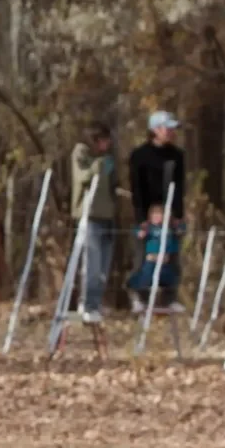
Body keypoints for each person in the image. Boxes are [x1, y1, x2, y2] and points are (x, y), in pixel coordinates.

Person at [69, 122, 125, 324]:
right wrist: (95, 168)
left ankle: (97, 301)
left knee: (103, 265)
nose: (107, 144)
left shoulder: (108, 158)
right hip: (88, 215)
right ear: (95, 140)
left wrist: (119, 190)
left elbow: (113, 183)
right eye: (104, 140)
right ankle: (87, 304)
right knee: (90, 263)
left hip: (107, 216)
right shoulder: (80, 153)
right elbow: (81, 177)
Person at [124, 202, 184, 310]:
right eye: (154, 215)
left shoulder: (169, 228)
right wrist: (139, 233)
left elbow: (181, 228)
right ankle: (140, 301)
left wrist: (178, 229)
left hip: (165, 261)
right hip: (151, 261)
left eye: (159, 215)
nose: (156, 217)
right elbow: (137, 230)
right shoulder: (148, 227)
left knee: (171, 279)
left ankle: (170, 301)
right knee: (144, 280)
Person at [129, 110, 186, 224]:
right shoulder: (139, 155)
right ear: (155, 130)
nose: (171, 132)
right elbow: (137, 188)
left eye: (172, 129)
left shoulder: (177, 155)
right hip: (148, 219)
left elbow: (179, 186)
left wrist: (178, 215)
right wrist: (142, 218)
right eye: (168, 129)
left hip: (171, 217)